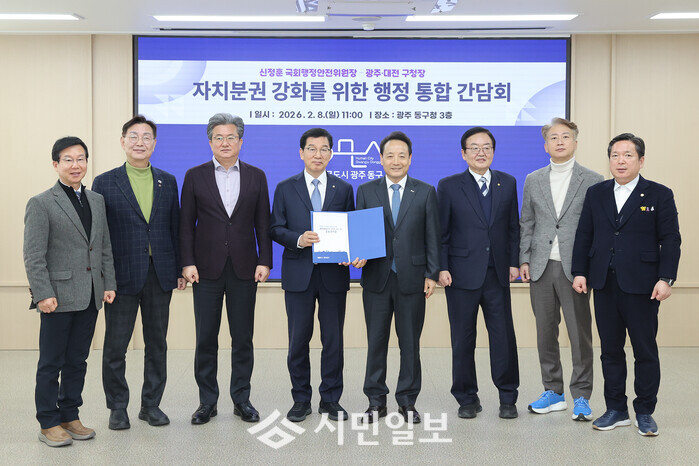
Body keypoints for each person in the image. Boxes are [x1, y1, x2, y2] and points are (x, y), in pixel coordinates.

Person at [572, 133, 680, 436]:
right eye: (615, 155)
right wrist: (579, 272)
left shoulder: (659, 194)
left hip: (643, 285)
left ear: (641, 161)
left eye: (628, 155)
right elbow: (584, 235)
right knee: (610, 350)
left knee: (644, 350)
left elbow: (671, 239)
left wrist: (666, 278)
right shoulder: (596, 193)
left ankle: (644, 411)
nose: (621, 161)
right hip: (604, 283)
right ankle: (616, 409)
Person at [92, 116, 186, 430]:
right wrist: (104, 277)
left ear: (154, 144)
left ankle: (151, 405)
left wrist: (179, 268)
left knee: (157, 344)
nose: (140, 142)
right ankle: (118, 407)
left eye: (147, 137)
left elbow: (175, 228)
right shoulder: (105, 182)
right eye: (133, 136)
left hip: (160, 274)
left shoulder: (167, 181)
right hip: (120, 276)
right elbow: (99, 235)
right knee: (115, 346)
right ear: (123, 141)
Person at [180, 113, 272, 424]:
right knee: (206, 338)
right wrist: (187, 262)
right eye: (218, 137)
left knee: (242, 338)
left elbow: (263, 223)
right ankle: (207, 402)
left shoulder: (257, 176)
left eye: (231, 137)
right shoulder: (194, 175)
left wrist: (265, 260)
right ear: (210, 142)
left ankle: (241, 399)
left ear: (240, 142)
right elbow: (186, 225)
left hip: (245, 268)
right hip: (205, 269)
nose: (224, 142)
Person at [24, 136, 116, 447]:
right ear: (56, 164)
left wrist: (108, 284)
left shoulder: (96, 200)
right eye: (68, 159)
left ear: (87, 162)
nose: (75, 165)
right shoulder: (41, 203)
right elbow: (33, 255)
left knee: (77, 360)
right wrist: (42, 293)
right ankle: (48, 422)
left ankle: (69, 415)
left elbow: (103, 246)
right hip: (57, 297)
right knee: (52, 362)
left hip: (90, 295)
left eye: (81, 159)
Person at [270, 128, 359, 422]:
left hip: (334, 275)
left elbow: (351, 229)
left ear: (331, 154)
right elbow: (275, 228)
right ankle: (301, 399)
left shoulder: (343, 189)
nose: (317, 154)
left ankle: (331, 400)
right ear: (301, 153)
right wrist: (298, 239)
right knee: (298, 341)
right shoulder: (285, 187)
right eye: (311, 148)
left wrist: (350, 250)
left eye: (323, 149)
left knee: (333, 340)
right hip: (299, 274)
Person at [519, 118, 603, 420]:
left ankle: (581, 395)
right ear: (545, 145)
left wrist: (587, 268)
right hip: (540, 266)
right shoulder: (533, 179)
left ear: (575, 142)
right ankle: (553, 391)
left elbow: (596, 228)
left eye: (565, 136)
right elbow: (527, 222)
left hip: (575, 269)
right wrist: (524, 259)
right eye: (553, 137)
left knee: (579, 334)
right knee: (545, 332)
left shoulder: (592, 180)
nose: (559, 142)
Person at [356, 131, 440, 424]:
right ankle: (375, 401)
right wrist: (358, 253)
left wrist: (432, 273)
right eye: (389, 155)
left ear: (410, 159)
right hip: (376, 278)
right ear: (380, 159)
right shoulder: (366, 191)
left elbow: (433, 236)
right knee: (376, 343)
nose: (395, 161)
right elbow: (360, 232)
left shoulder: (425, 191)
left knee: (410, 344)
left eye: (401, 156)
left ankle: (407, 401)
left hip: (413, 279)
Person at [437, 127, 520, 420]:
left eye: (486, 147)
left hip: (497, 274)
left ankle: (507, 397)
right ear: (463, 153)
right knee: (463, 339)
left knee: (503, 338)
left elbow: (513, 228)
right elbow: (441, 232)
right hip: (460, 276)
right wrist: (442, 267)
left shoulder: (507, 182)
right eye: (474, 147)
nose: (480, 152)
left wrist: (513, 262)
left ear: (493, 152)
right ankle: (467, 398)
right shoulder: (448, 186)